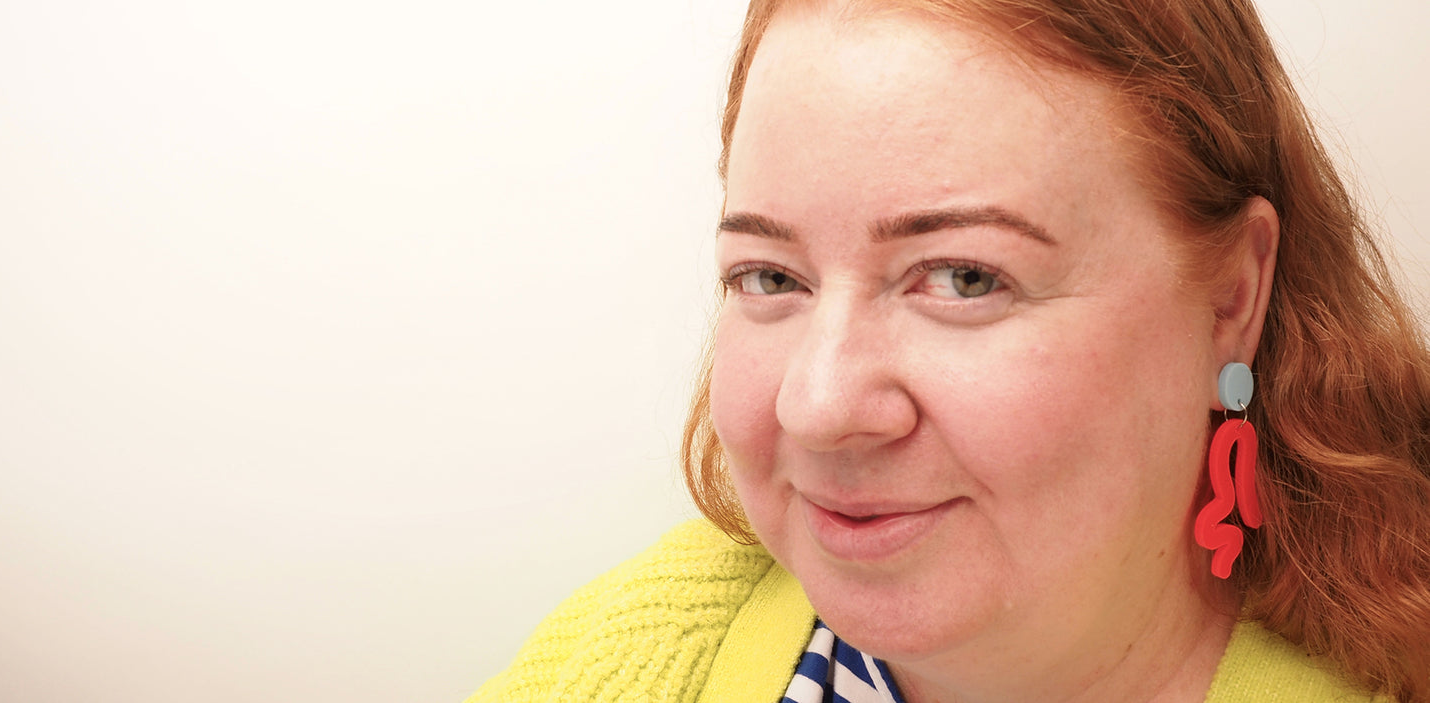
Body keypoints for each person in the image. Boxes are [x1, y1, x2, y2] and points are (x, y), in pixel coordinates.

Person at [467, 0, 1430, 700]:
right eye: (770, 277)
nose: (819, 401)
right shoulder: (626, 661)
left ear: (1233, 295)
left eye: (965, 276)